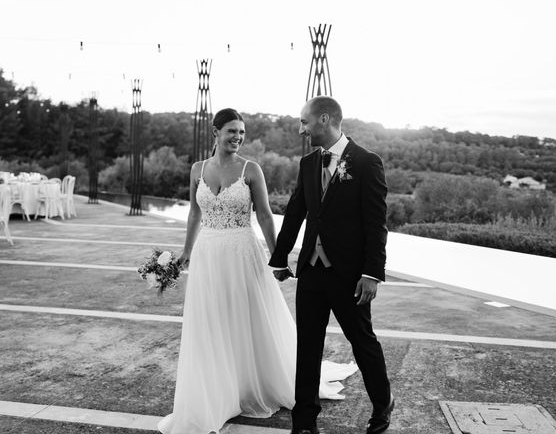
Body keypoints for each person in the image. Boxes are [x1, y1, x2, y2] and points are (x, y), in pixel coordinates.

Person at [158, 108, 356, 434]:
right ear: (215, 132)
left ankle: (253, 382)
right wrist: (186, 252)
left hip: (242, 251)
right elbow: (194, 213)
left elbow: (264, 215)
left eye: (241, 132)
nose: (237, 137)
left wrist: (278, 257)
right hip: (208, 254)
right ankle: (218, 390)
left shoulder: (251, 170)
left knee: (247, 318)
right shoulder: (197, 169)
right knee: (211, 321)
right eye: (231, 131)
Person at [270, 96, 394, 434]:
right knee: (307, 347)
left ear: (324, 119)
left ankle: (383, 405)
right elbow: (296, 211)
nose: (301, 129)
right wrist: (279, 259)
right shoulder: (308, 163)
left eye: (304, 122)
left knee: (362, 342)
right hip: (311, 271)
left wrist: (372, 273)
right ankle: (305, 421)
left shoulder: (367, 162)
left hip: (350, 276)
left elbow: (375, 224)